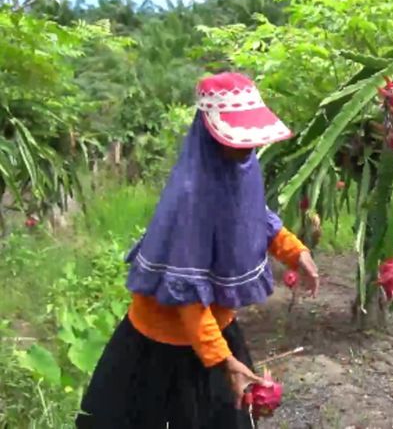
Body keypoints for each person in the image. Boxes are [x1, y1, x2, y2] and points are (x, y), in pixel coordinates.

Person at [75, 72, 319, 428]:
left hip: (217, 327)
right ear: (207, 134)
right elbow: (188, 298)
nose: (245, 148)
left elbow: (255, 216)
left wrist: (297, 252)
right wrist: (223, 360)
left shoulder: (243, 168)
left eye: (248, 141)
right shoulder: (190, 196)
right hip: (162, 343)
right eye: (235, 140)